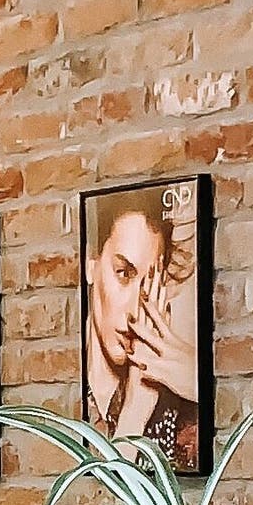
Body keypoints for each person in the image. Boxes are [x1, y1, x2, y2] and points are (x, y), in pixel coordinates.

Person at [83, 186, 204, 474]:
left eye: (151, 284)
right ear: (91, 264)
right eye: (123, 273)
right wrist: (135, 409)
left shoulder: (179, 419)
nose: (136, 310)